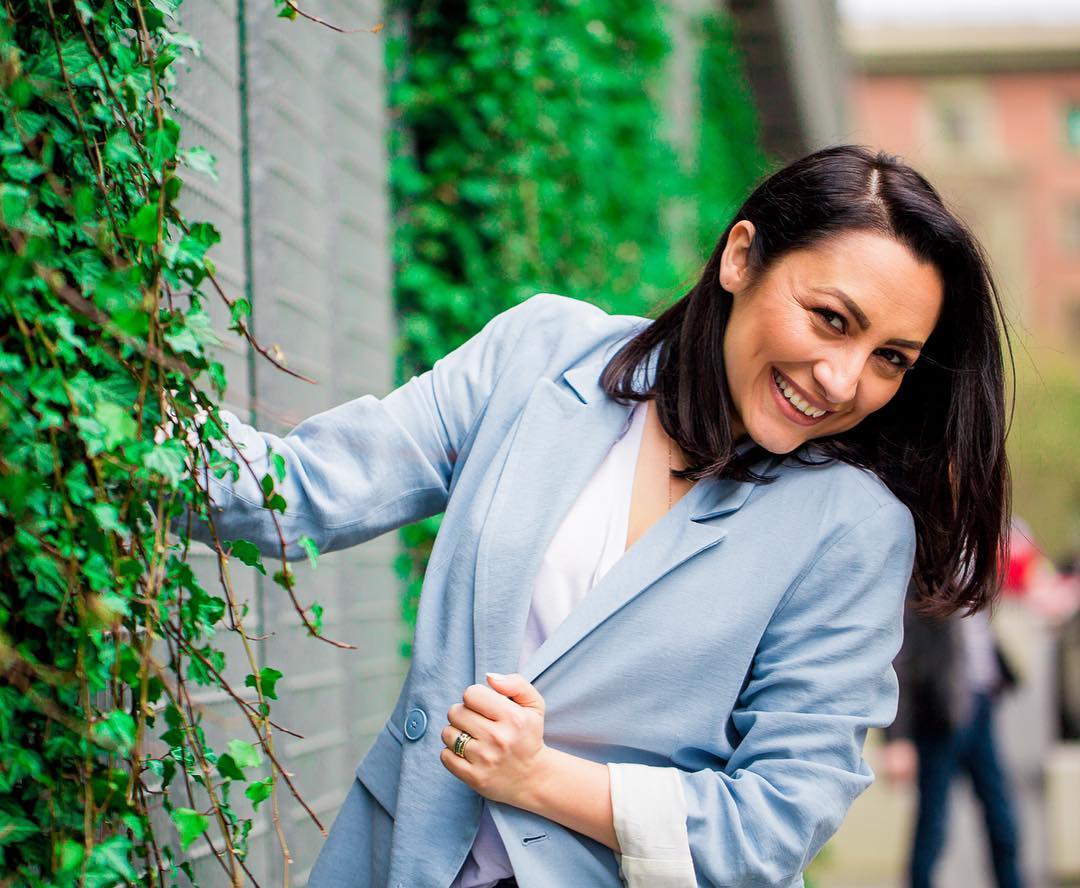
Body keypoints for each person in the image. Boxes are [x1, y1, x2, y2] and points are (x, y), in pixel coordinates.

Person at [187, 145, 1011, 886]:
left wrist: (541, 779)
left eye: (889, 359)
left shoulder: (854, 529)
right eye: (831, 319)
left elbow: (774, 826)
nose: (842, 380)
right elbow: (306, 488)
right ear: (741, 257)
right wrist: (127, 420)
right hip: (399, 859)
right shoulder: (541, 355)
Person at [883, 590, 1024, 888]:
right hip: (940, 714)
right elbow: (900, 656)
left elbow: (977, 633)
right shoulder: (926, 576)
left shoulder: (972, 572)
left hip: (980, 706)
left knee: (1001, 818)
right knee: (933, 825)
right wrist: (897, 737)